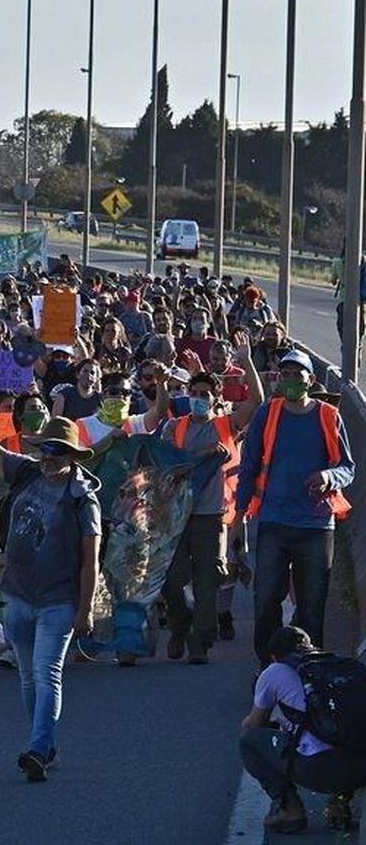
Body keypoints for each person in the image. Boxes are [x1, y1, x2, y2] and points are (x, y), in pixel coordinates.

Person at [0, 383, 100, 784]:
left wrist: (86, 607)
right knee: (28, 678)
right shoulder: (25, 473)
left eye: (56, 450)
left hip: (58, 600)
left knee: (48, 674)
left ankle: (38, 749)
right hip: (16, 594)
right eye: (44, 448)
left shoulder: (83, 498)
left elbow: (90, 559)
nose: (48, 457)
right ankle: (43, 743)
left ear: (72, 456)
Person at [237, 350, 355, 667]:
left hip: (316, 527)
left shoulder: (329, 416)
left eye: (296, 374)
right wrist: (238, 518)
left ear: (310, 380)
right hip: (274, 521)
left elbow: (348, 467)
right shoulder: (267, 414)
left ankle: (309, 669)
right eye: (284, 374)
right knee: (265, 601)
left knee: (312, 605)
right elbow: (248, 467)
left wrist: (329, 477)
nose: (289, 380)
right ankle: (269, 669)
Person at [160, 347, 263, 665]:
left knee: (208, 580)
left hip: (211, 517)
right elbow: (160, 467)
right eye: (195, 392)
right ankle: (179, 627)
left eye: (205, 393)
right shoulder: (173, 428)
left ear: (216, 398)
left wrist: (246, 361)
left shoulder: (224, 426)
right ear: (188, 394)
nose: (199, 397)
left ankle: (200, 642)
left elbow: (257, 403)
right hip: (177, 518)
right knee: (172, 580)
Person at [240, 626, 366, 835]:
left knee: (249, 742)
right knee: (341, 731)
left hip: (323, 769)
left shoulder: (275, 671)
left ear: (274, 657)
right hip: (361, 765)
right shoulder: (340, 666)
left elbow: (253, 726)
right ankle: (340, 805)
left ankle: (289, 809)